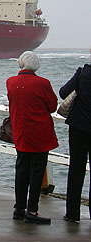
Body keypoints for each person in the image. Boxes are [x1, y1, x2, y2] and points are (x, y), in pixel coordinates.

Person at [6, 51, 58, 224]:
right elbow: (52, 106)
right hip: (39, 135)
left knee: (21, 171)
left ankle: (19, 208)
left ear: (20, 64)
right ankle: (32, 211)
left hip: (21, 134)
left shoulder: (10, 82)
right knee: (36, 173)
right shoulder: (43, 83)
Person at [59, 53, 91, 222]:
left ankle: (72, 213)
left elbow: (63, 93)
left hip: (78, 127)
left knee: (76, 170)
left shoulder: (83, 72)